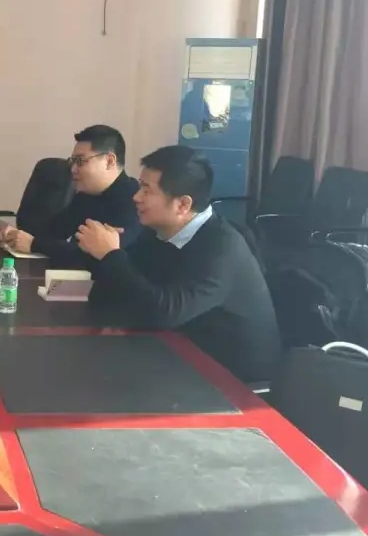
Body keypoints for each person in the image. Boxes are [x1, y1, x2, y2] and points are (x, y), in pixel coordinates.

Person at [79, 145, 281, 382]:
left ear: (183, 205)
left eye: (146, 190)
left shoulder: (221, 247)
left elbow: (164, 313)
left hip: (232, 380)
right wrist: (103, 254)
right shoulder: (157, 232)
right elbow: (110, 297)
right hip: (178, 354)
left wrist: (111, 255)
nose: (136, 197)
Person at [0, 125, 141, 269]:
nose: (73, 169)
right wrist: (15, 236)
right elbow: (54, 231)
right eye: (73, 161)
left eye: (80, 161)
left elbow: (91, 257)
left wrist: (34, 244)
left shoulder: (134, 202)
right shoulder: (86, 195)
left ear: (109, 161)